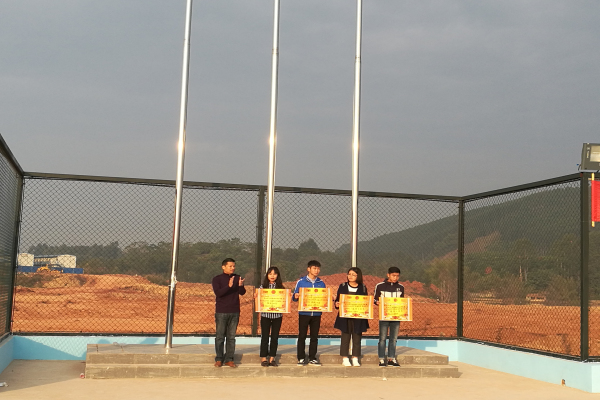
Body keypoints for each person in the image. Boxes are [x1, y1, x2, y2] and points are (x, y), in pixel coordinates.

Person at [212, 258, 246, 368]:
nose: (232, 268)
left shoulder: (237, 277)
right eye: (230, 266)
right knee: (220, 336)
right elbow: (218, 293)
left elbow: (242, 293)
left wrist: (240, 285)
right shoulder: (217, 279)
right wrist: (229, 286)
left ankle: (229, 359)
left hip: (234, 311)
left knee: (231, 337)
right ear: (223, 267)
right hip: (222, 311)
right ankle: (219, 358)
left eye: (234, 266)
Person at [292, 260, 326, 366]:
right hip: (304, 313)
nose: (317, 270)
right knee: (302, 336)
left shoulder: (321, 283)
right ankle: (301, 358)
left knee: (314, 337)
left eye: (318, 268)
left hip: (316, 314)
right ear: (308, 269)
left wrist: (329, 297)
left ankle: (312, 358)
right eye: (314, 268)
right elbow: (294, 296)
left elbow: (324, 297)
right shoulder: (301, 282)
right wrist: (296, 296)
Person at [334, 267, 369, 367]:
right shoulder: (343, 286)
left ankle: (355, 358)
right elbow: (337, 300)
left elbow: (365, 301)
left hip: (358, 317)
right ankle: (345, 358)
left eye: (353, 275)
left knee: (357, 338)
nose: (350, 276)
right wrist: (336, 304)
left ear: (358, 276)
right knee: (345, 337)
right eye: (349, 274)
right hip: (345, 317)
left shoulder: (363, 287)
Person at [374, 266, 404, 367]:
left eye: (397, 276)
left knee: (393, 338)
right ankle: (381, 359)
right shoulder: (380, 286)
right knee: (382, 338)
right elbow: (375, 299)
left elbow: (402, 301)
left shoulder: (401, 287)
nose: (395, 278)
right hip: (384, 316)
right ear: (388, 275)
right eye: (393, 275)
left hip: (396, 316)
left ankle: (391, 358)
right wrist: (377, 302)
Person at [255, 266, 284, 367]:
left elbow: (284, 301)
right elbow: (258, 299)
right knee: (265, 337)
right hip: (265, 316)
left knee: (275, 337)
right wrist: (256, 296)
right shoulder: (262, 287)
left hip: (277, 316)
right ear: (267, 275)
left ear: (277, 275)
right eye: (270, 274)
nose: (272, 276)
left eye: (274, 274)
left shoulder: (281, 288)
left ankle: (272, 358)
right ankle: (263, 358)